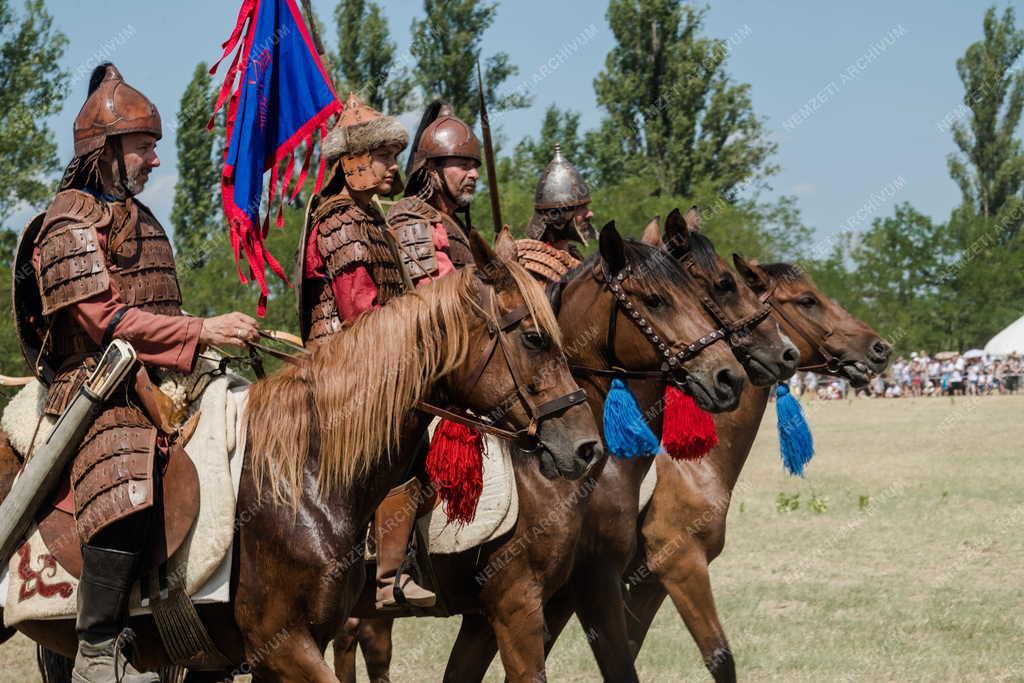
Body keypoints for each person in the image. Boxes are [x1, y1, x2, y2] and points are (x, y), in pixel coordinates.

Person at [16, 64, 260, 683]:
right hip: (94, 382)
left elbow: (161, 311)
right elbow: (105, 321)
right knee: (123, 462)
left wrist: (205, 347)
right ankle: (98, 643)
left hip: (164, 371)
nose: (155, 159)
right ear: (106, 150)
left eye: (154, 147)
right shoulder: (67, 224)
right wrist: (202, 329)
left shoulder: (142, 219)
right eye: (145, 146)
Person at [297, 93, 444, 610]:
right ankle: (391, 576)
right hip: (346, 369)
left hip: (375, 362)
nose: (391, 166)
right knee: (399, 441)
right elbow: (361, 315)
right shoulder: (341, 221)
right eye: (381, 155)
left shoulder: (370, 217)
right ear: (353, 161)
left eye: (392, 154)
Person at [516, 144, 595, 283]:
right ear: (560, 215)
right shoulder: (532, 269)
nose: (590, 214)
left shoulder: (575, 257)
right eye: (582, 208)